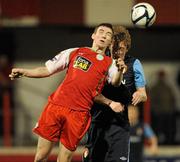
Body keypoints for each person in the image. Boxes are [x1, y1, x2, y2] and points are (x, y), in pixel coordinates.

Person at [9, 23, 127, 162]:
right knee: (41, 155)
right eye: (101, 31)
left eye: (108, 34)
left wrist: (119, 70)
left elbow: (115, 82)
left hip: (79, 114)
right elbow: (47, 70)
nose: (104, 35)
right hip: (55, 106)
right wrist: (25, 72)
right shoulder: (74, 52)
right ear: (93, 35)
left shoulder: (110, 63)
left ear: (110, 41)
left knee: (64, 159)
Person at [83, 25, 147, 162]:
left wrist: (140, 94)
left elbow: (143, 93)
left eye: (121, 49)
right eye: (115, 49)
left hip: (119, 125)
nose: (118, 52)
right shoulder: (99, 60)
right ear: (110, 46)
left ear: (127, 48)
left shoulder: (134, 64)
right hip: (97, 123)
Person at [149, 69, 176, 144]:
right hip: (159, 113)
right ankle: (157, 143)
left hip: (168, 113)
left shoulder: (168, 88)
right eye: (161, 76)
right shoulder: (154, 88)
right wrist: (156, 111)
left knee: (169, 130)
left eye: (163, 76)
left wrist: (172, 110)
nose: (162, 77)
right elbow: (152, 101)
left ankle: (169, 142)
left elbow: (173, 99)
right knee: (157, 129)